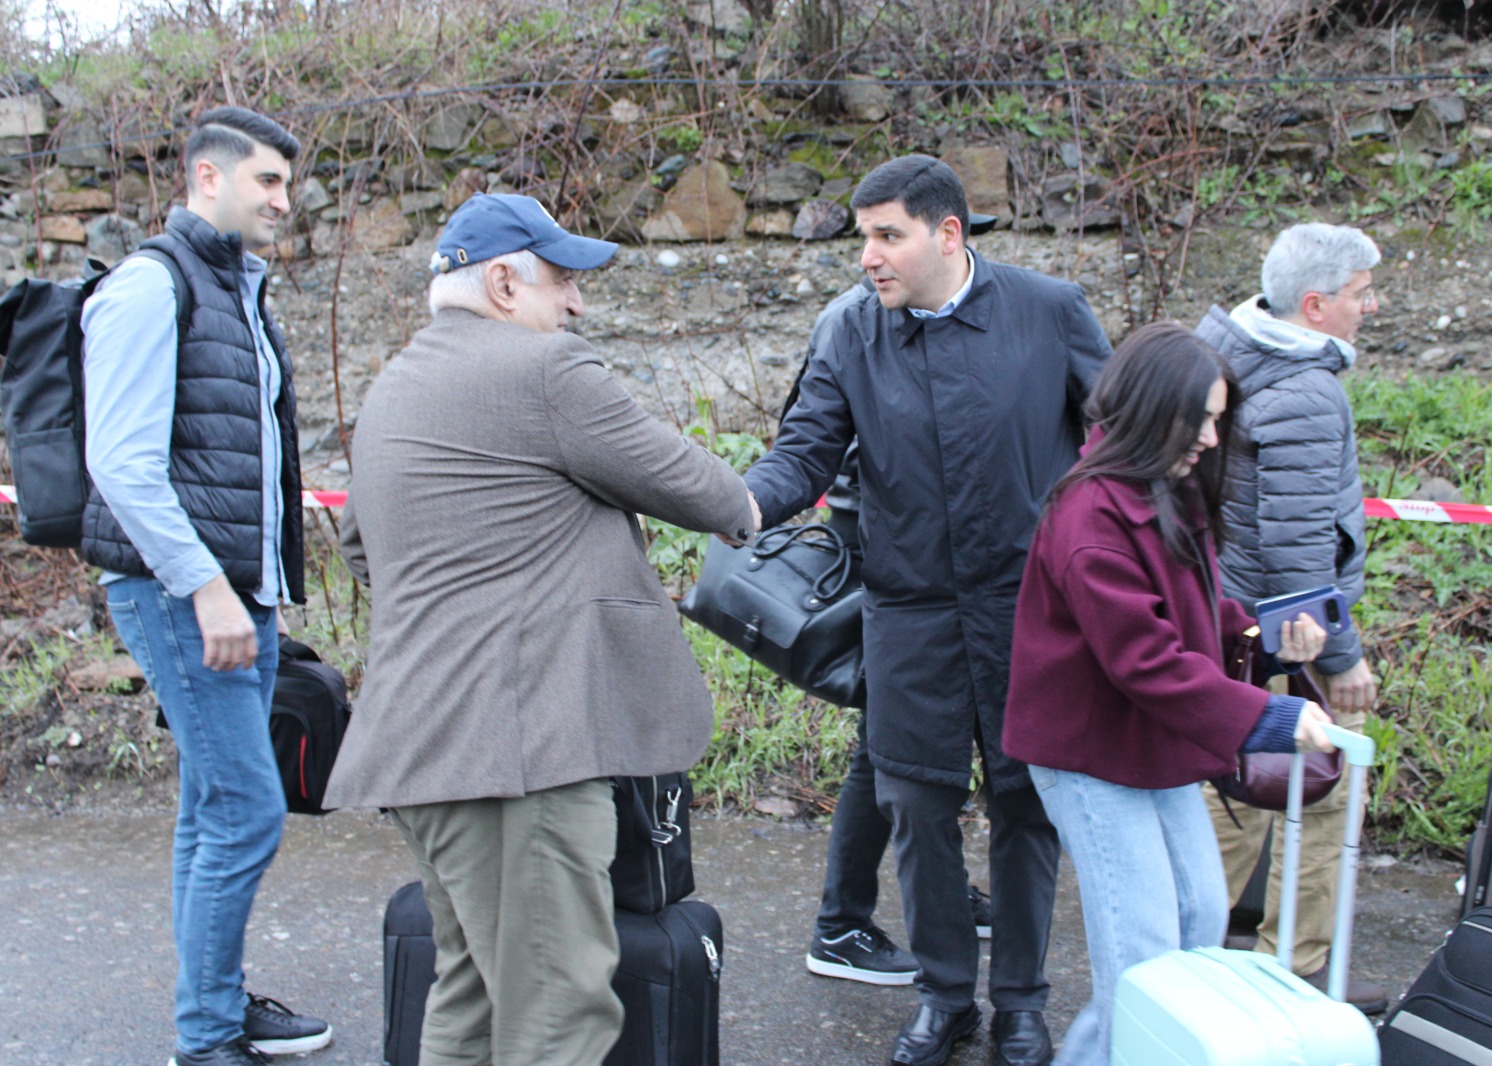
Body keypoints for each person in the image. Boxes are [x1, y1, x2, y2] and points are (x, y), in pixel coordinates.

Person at [323, 193, 754, 1066]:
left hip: (423, 749)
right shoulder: (544, 371)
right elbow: (697, 489)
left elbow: (364, 549)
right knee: (558, 1013)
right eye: (563, 281)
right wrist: (750, 504)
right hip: (521, 756)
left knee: (473, 995)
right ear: (504, 282)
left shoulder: (394, 388)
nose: (577, 303)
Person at [743, 155, 1113, 1066]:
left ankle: (1022, 1004)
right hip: (907, 614)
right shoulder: (849, 332)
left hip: (1030, 611)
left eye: (887, 235)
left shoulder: (1048, 310)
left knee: (1027, 810)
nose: (867, 256)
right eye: (862, 236)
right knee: (915, 809)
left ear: (948, 234)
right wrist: (729, 504)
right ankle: (945, 996)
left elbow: (1118, 438)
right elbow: (802, 456)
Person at [1002, 322, 1336, 1066]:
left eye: (1219, 418)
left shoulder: (1164, 491)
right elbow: (1146, 661)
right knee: (1146, 962)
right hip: (1089, 758)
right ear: (1155, 412)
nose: (1215, 439)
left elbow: (1190, 607)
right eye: (1204, 419)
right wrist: (1274, 718)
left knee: (1199, 921)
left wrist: (1259, 636)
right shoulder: (1090, 517)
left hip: (1152, 746)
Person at [80, 107, 331, 1066]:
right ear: (205, 180)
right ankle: (206, 1036)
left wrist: (258, 585)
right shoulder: (153, 286)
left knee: (211, 807)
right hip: (187, 596)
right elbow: (124, 464)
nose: (283, 200)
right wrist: (208, 590)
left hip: (237, 593)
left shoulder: (235, 290)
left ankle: (213, 1005)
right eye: (266, 181)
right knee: (246, 809)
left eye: (286, 183)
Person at [1192, 221, 1388, 1015]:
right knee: (1312, 781)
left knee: (1230, 784)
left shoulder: (1225, 348)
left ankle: (1189, 958)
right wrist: (1341, 660)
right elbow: (1302, 550)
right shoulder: (1307, 392)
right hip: (1277, 632)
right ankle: (1289, 973)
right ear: (1315, 305)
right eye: (1359, 294)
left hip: (1225, 617)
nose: (1369, 307)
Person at [794, 286, 991, 990]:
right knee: (886, 748)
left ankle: (940, 890)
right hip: (884, 560)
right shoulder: (850, 321)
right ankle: (839, 925)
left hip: (929, 563)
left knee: (918, 743)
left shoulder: (935, 316)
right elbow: (815, 435)